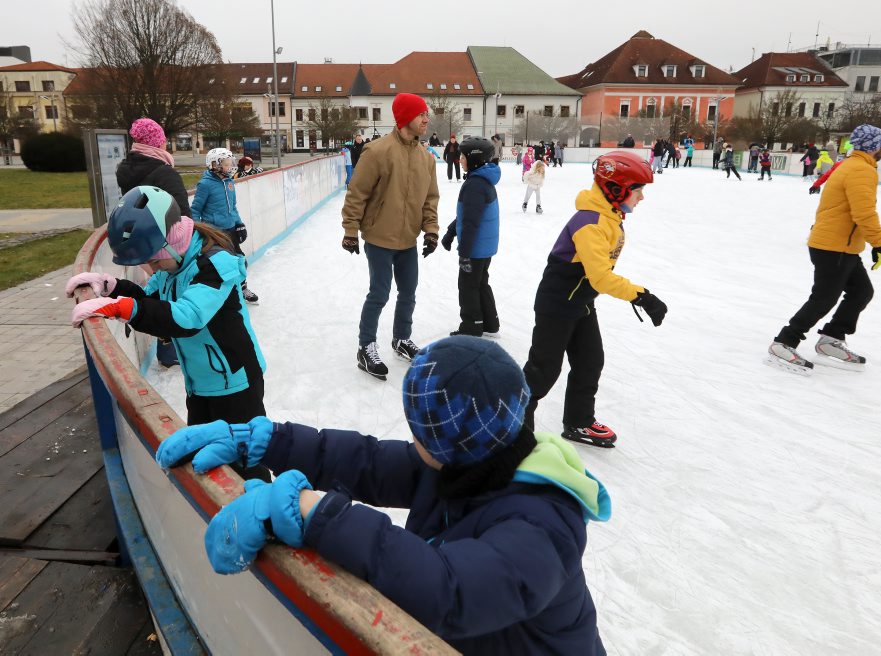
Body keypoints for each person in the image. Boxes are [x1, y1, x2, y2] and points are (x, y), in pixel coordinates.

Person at [153, 335, 611, 655]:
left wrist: (318, 512)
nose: (411, 443)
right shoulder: (471, 458)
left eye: (418, 433)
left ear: (442, 442)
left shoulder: (544, 527)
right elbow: (367, 462)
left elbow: (449, 592)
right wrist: (266, 438)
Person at [67, 186, 268, 480]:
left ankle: (266, 519)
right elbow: (150, 302)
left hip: (236, 383)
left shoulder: (215, 264)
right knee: (205, 455)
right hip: (200, 383)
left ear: (171, 244)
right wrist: (112, 289)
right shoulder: (173, 266)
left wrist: (122, 309)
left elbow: (186, 319)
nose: (151, 269)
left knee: (246, 461)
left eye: (154, 261)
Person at [522, 151, 667, 448]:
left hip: (581, 302)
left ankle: (578, 422)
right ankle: (512, 424)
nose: (641, 198)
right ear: (616, 189)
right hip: (557, 303)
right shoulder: (590, 222)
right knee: (543, 371)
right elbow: (600, 276)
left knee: (590, 362)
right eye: (638, 190)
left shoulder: (609, 216)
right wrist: (643, 296)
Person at [767, 124, 881, 375]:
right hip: (833, 246)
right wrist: (879, 242)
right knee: (824, 298)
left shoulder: (851, 165)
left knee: (861, 292)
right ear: (875, 145)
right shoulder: (861, 170)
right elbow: (864, 212)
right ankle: (785, 341)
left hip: (841, 245)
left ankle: (832, 337)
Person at [341, 92, 440, 381]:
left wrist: (431, 230)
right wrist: (350, 231)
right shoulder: (377, 151)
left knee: (408, 292)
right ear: (405, 117)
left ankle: (401, 339)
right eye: (421, 114)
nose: (426, 119)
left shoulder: (426, 157)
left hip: (408, 239)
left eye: (426, 114)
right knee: (380, 293)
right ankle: (366, 346)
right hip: (379, 237)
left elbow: (430, 199)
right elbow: (356, 194)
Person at [116, 117, 190, 368]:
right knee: (172, 290)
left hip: (139, 241)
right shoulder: (163, 172)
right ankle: (172, 348)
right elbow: (182, 215)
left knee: (159, 289)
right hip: (166, 243)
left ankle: (166, 348)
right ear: (158, 143)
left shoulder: (125, 168)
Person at [439, 138, 501, 337]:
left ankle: (472, 326)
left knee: (467, 286)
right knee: (480, 283)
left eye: (463, 156)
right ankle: (490, 324)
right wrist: (451, 232)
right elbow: (468, 213)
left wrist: (464, 253)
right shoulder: (482, 179)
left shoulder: (474, 184)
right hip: (485, 247)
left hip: (475, 248)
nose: (459, 160)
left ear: (474, 160)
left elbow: (470, 222)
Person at [191, 148, 259, 304]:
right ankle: (224, 295)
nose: (230, 167)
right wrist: (198, 230)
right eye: (226, 164)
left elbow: (232, 207)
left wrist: (239, 224)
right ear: (214, 165)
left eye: (230, 163)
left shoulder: (229, 182)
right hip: (215, 233)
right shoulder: (205, 184)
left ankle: (242, 288)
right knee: (221, 265)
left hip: (230, 229)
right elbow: (195, 209)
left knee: (240, 260)